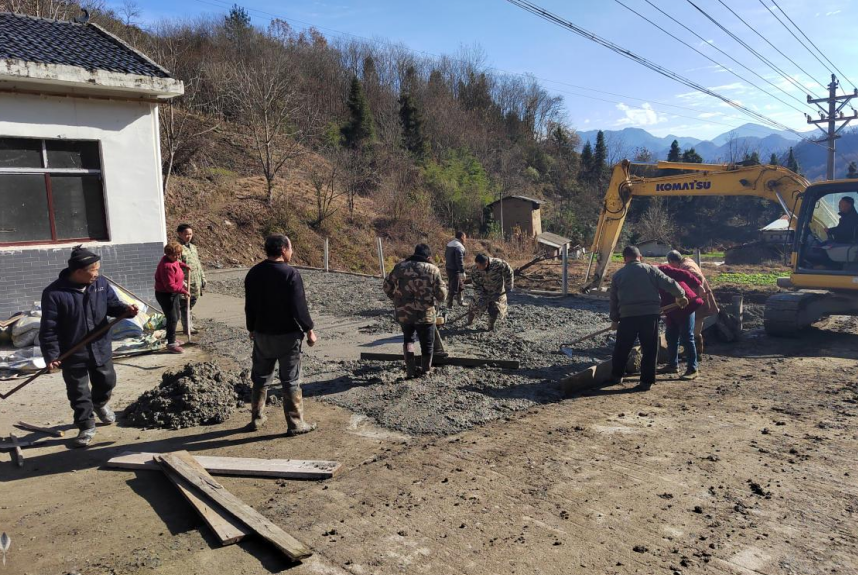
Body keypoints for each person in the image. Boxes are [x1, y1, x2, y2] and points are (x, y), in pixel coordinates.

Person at [39, 246, 138, 447]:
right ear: (78, 272)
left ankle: (99, 403)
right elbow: (49, 328)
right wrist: (51, 355)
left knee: (107, 381)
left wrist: (126, 310)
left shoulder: (100, 284)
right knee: (78, 391)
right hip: (72, 351)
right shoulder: (54, 293)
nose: (97, 274)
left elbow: (112, 305)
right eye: (94, 270)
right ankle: (86, 425)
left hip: (100, 346)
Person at [244, 234, 317, 435]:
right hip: (288, 335)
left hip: (262, 334)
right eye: (290, 248)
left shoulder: (254, 273)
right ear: (284, 249)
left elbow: (249, 305)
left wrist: (251, 328)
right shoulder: (290, 274)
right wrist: (309, 330)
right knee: (290, 380)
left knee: (260, 378)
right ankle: (295, 423)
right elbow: (299, 306)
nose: (291, 252)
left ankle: (257, 418)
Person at [609, 246, 688, 392]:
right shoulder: (650, 270)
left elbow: (614, 300)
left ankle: (616, 376)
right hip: (649, 316)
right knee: (650, 349)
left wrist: (615, 319)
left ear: (625, 259)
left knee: (622, 348)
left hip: (627, 316)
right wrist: (681, 295)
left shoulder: (618, 275)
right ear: (640, 257)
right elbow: (669, 282)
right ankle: (646, 381)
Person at [383, 244, 447, 378]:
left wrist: (396, 299)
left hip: (404, 313)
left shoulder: (400, 267)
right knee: (427, 343)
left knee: (409, 340)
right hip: (425, 314)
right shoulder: (433, 269)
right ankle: (426, 370)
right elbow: (441, 295)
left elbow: (387, 286)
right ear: (428, 257)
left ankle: (410, 370)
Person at [657, 263, 704, 380]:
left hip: (685, 303)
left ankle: (693, 369)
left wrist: (698, 285)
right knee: (670, 336)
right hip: (670, 308)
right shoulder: (642, 279)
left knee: (687, 337)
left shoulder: (660, 269)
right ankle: (673, 365)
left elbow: (683, 274)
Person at [666, 250, 719, 352]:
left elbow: (697, 276)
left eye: (669, 263)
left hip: (697, 300)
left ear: (672, 261)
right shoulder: (687, 262)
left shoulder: (686, 267)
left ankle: (694, 352)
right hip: (698, 299)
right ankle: (696, 350)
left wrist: (698, 287)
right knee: (696, 327)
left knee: (693, 329)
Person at [154, 241, 191, 354]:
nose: (178, 257)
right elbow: (170, 286)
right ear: (168, 254)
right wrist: (184, 291)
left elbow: (177, 263)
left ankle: (171, 337)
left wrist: (184, 265)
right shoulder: (167, 266)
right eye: (175, 255)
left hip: (174, 293)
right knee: (172, 318)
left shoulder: (171, 260)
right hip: (166, 295)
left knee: (176, 316)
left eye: (179, 254)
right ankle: (171, 344)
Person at [467, 254, 514, 331]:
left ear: (486, 263)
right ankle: (469, 322)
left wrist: (509, 285)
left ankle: (490, 327)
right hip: (483, 291)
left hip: (497, 292)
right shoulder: (475, 269)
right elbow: (476, 286)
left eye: (480, 266)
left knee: (494, 309)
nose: (478, 268)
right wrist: (480, 297)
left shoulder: (499, 264)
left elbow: (509, 272)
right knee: (474, 306)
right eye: (477, 265)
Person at [176, 223, 206, 334]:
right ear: (180, 234)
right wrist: (181, 282)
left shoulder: (193, 247)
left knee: (192, 302)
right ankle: (187, 327)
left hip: (195, 281)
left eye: (190, 234)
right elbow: (176, 266)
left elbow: (198, 264)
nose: (189, 236)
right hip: (186, 282)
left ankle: (190, 323)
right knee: (185, 304)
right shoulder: (177, 248)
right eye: (186, 234)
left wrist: (203, 277)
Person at [445, 231, 467, 307]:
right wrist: (462, 271)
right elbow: (459, 260)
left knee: (460, 286)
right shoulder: (459, 246)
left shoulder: (449, 244)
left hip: (448, 268)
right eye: (465, 237)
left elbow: (446, 255)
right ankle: (449, 304)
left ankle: (460, 301)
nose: (465, 239)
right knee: (453, 288)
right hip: (455, 270)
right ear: (462, 237)